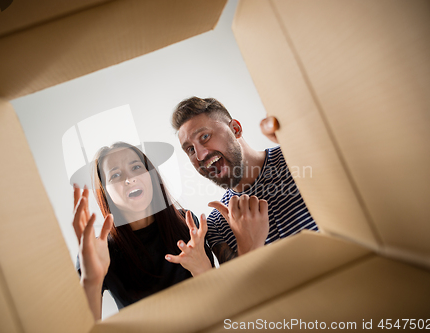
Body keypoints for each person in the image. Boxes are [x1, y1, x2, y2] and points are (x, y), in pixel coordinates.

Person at [73, 142, 214, 320]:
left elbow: (219, 303)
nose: (129, 179)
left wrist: (203, 269)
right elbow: (83, 327)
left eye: (136, 167)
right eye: (115, 174)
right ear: (105, 191)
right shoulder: (98, 251)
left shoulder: (187, 223)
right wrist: (91, 282)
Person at [172, 97, 318, 264]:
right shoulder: (217, 225)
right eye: (190, 149)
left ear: (235, 129)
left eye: (204, 136)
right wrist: (248, 245)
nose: (200, 155)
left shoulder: (296, 159)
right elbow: (248, 288)